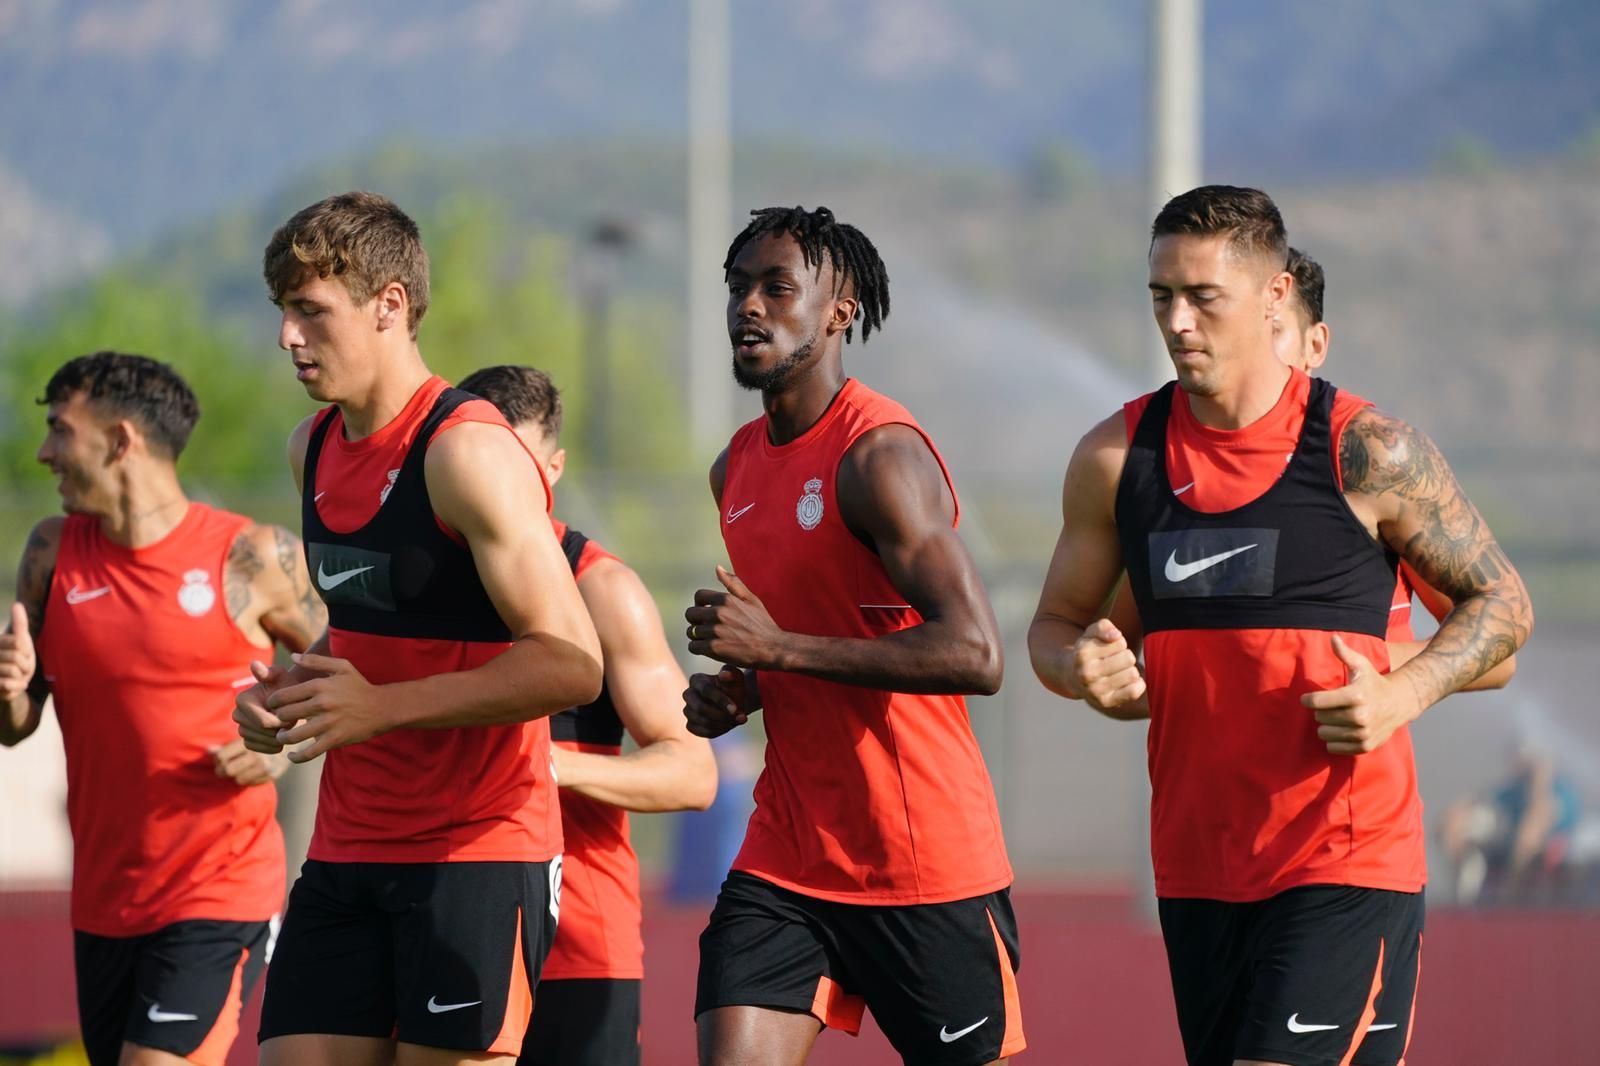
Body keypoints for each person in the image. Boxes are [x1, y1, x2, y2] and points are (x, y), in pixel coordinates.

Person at [1029, 186, 1533, 1066]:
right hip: (1198, 876)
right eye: (1160, 297)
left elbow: (1504, 608)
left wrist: (1401, 692)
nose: (1177, 321)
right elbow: (1056, 628)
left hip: (1343, 866)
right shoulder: (1116, 460)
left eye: (1202, 297)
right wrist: (1083, 669)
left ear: (1275, 298)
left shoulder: (1366, 450)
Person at [234, 192, 603, 1066]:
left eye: (312, 312)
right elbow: (368, 631)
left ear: (389, 305)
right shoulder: (311, 447)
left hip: (475, 851)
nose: (288, 336)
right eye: (283, 312)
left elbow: (572, 663)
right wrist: (297, 693)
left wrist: (382, 708)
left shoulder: (465, 451)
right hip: (346, 850)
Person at [682, 206, 1023, 1066]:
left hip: (923, 863)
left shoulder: (879, 456)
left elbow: (978, 655)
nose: (748, 306)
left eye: (776, 288)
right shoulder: (735, 468)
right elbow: (806, 631)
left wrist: (779, 652)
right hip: (788, 856)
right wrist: (740, 691)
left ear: (839, 311)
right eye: (738, 287)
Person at [0, 351, 324, 1066]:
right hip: (104, 901)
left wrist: (285, 741)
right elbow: (17, 727)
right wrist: (8, 689)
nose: (44, 452)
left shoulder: (254, 558)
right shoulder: (50, 552)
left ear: (121, 440)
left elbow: (361, 667)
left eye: (60, 430)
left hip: (221, 889)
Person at [1099, 246, 1518, 699]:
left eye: (1273, 331)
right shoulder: (1164, 474)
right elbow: (1125, 663)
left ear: (1315, 345)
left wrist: (1379, 677)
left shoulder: (1362, 466)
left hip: (1351, 763)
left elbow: (1498, 651)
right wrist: (1106, 677)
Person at [457, 363, 718, 1066]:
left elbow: (692, 772)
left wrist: (551, 767)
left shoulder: (603, 589)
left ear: (554, 465)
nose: (496, 483)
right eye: (478, 461)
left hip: (577, 942)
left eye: (516, 463)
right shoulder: (429, 575)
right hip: (444, 923)